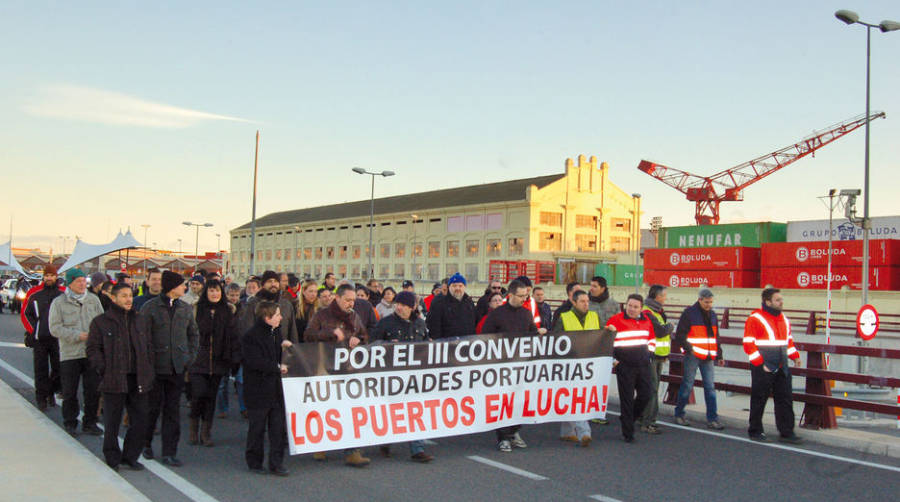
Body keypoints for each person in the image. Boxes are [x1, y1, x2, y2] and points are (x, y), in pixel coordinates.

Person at [86, 282, 154, 471]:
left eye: (130, 296)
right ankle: (112, 457)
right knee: (112, 421)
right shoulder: (101, 321)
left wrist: (149, 369)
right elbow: (93, 349)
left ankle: (131, 456)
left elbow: (148, 347)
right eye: (123, 296)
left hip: (138, 377)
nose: (128, 299)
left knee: (140, 420)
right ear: (113, 298)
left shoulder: (140, 319)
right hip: (114, 377)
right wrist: (103, 368)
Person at [139, 270, 200, 466]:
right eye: (182, 284)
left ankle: (169, 451)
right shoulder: (150, 308)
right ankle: (146, 444)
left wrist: (188, 357)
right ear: (172, 287)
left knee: (172, 411)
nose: (185, 287)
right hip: (156, 368)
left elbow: (194, 335)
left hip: (177, 368)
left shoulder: (185, 308)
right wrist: (147, 363)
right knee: (152, 409)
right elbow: (142, 338)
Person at [305, 284, 370, 467]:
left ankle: (352, 451)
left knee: (350, 410)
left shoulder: (355, 317)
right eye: (347, 300)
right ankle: (320, 444)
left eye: (353, 301)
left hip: (348, 369)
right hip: (325, 367)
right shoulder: (322, 315)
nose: (351, 304)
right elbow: (308, 335)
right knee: (327, 409)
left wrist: (360, 340)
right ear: (337, 299)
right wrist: (329, 334)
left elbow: (365, 335)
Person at [371, 291, 434, 463]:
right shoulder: (386, 323)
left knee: (416, 410)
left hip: (415, 376)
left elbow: (427, 344)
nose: (399, 307)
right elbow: (372, 344)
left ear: (412, 307)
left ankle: (417, 449)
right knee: (392, 410)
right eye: (398, 304)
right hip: (392, 376)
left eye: (404, 305)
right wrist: (387, 346)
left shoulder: (420, 324)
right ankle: (385, 441)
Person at [480, 279, 539, 452]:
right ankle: (503, 436)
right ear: (511, 295)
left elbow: (532, 335)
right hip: (501, 365)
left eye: (525, 296)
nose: (524, 299)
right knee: (503, 400)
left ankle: (514, 431)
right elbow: (486, 337)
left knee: (520, 400)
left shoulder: (526, 313)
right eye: (521, 296)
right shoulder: (497, 314)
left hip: (521, 365)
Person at [49, 268, 105, 436]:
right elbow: (54, 328)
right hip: (70, 353)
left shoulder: (93, 300)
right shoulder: (59, 303)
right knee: (69, 391)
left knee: (92, 390)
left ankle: (90, 422)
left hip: (91, 353)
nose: (82, 284)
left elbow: (102, 321)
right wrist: (76, 336)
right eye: (78, 281)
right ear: (70, 283)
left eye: (83, 281)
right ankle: (70, 422)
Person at [744, 288, 803, 444]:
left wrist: (795, 356)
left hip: (782, 364)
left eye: (781, 299)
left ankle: (786, 432)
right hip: (763, 366)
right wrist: (760, 364)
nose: (781, 302)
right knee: (759, 398)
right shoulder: (755, 318)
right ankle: (755, 430)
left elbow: (787, 341)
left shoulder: (784, 319)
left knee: (785, 399)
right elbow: (748, 344)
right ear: (767, 302)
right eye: (778, 300)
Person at [189, 279, 241, 447]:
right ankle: (193, 428)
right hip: (198, 360)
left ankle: (206, 432)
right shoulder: (196, 309)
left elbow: (233, 336)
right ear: (206, 292)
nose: (214, 294)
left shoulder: (228, 311)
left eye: (217, 291)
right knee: (198, 395)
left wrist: (233, 358)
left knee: (211, 398)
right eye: (211, 290)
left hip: (219, 361)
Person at [241, 300, 289, 476]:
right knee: (257, 428)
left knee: (278, 429)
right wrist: (277, 367)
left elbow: (278, 353)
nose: (281, 317)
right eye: (277, 315)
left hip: (275, 389)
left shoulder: (276, 333)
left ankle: (276, 463)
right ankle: (254, 462)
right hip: (258, 390)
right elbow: (254, 361)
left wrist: (285, 349)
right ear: (267, 317)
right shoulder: (251, 336)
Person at [672, 288, 724, 430]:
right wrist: (690, 349)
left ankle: (713, 419)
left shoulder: (712, 315)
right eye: (707, 302)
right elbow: (680, 335)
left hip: (708, 356)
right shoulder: (689, 314)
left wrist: (719, 354)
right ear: (699, 299)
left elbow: (715, 336)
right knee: (688, 385)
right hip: (693, 355)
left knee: (710, 387)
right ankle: (679, 414)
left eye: (711, 302)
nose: (709, 305)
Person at [606, 294, 654, 443]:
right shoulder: (615, 320)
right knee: (626, 398)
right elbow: (606, 342)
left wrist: (649, 355)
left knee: (646, 394)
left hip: (644, 364)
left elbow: (651, 340)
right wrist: (613, 360)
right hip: (625, 365)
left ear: (641, 308)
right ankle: (628, 433)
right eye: (630, 305)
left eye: (635, 307)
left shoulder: (647, 321)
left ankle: (629, 417)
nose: (632, 309)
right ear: (625, 305)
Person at [553, 289, 598, 446]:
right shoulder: (564, 318)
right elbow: (557, 341)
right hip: (570, 364)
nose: (586, 304)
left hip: (588, 364)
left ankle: (567, 431)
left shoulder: (593, 316)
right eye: (582, 302)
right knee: (576, 397)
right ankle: (584, 431)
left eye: (587, 301)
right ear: (574, 302)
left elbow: (599, 338)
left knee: (575, 397)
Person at [22, 265, 64, 411]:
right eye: (47, 276)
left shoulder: (62, 296)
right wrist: (34, 330)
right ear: (43, 277)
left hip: (57, 338)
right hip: (40, 339)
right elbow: (27, 315)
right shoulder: (35, 296)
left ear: (56, 277)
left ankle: (50, 391)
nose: (49, 278)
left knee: (59, 369)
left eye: (52, 275)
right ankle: (41, 399)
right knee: (40, 370)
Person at [639, 285, 673, 435]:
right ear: (657, 296)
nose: (665, 298)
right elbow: (660, 331)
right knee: (651, 389)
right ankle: (647, 422)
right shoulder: (648, 312)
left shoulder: (657, 312)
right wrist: (670, 327)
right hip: (651, 356)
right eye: (664, 296)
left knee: (651, 388)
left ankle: (645, 418)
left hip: (658, 356)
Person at [239, 270, 299, 346]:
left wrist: (293, 349)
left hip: (283, 350)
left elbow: (292, 331)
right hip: (260, 350)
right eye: (269, 281)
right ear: (263, 285)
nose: (273, 284)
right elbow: (246, 329)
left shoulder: (286, 304)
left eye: (276, 281)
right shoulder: (253, 304)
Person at [218, 282, 248, 420]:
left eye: (236, 295)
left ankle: (244, 408)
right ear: (226, 295)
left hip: (240, 350)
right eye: (231, 295)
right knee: (222, 383)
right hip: (224, 350)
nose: (234, 298)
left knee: (241, 381)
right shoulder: (221, 309)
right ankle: (223, 408)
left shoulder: (244, 309)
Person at [426, 273, 476, 339]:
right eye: (454, 286)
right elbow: (434, 327)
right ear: (449, 287)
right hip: (447, 345)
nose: (457, 288)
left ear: (464, 287)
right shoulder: (440, 303)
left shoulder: (469, 303)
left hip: (465, 343)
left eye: (460, 286)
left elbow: (473, 324)